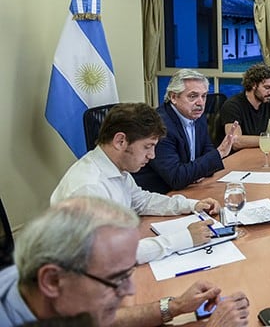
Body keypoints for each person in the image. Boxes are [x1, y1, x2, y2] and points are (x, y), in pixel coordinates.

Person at [0, 197, 249, 327]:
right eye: (117, 278)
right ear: (52, 280)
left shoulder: (59, 300)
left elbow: (103, 320)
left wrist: (175, 306)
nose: (131, 290)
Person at [50, 103, 221, 264]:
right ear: (120, 141)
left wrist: (192, 205)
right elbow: (112, 255)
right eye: (147, 146)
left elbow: (141, 200)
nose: (152, 155)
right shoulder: (89, 188)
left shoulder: (117, 167)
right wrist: (183, 238)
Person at [133, 69, 237, 194]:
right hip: (161, 194)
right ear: (173, 97)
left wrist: (197, 172)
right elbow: (176, 177)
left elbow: (207, 149)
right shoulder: (159, 126)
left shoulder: (197, 116)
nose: (200, 103)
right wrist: (219, 153)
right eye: (193, 96)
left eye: (203, 96)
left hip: (189, 187)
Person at [219, 63, 270, 150]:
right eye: (267, 87)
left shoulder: (267, 101)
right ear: (254, 85)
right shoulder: (232, 106)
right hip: (234, 158)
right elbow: (235, 141)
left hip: (256, 152)